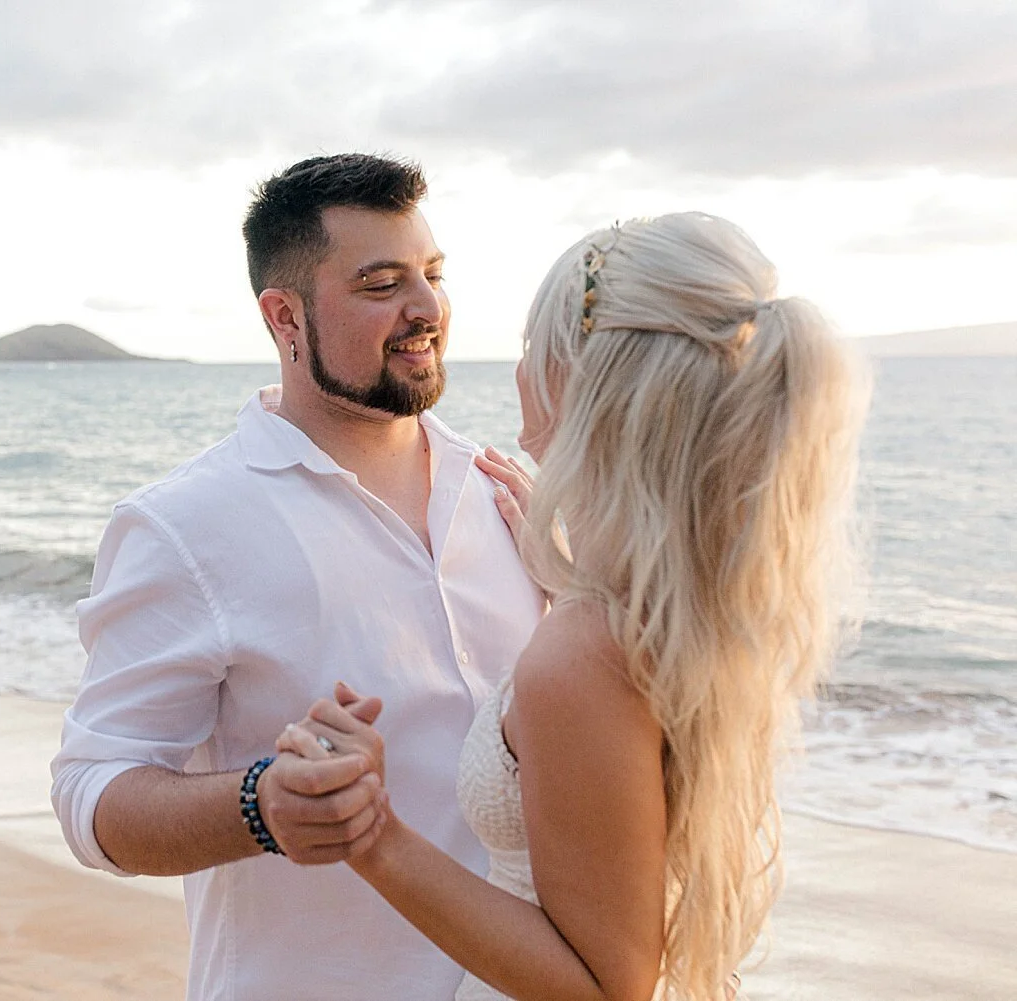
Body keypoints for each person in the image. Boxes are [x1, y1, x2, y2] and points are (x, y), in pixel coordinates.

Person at [277, 212, 868, 1001]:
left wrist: (374, 835)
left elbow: (605, 984)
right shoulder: (678, 604)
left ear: (581, 382)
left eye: (530, 349)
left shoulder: (588, 650)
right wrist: (570, 577)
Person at [50, 153, 546, 1000]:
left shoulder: (511, 498)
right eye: (381, 284)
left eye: (431, 275)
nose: (426, 309)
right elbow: (91, 796)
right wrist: (261, 804)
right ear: (285, 316)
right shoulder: (186, 524)